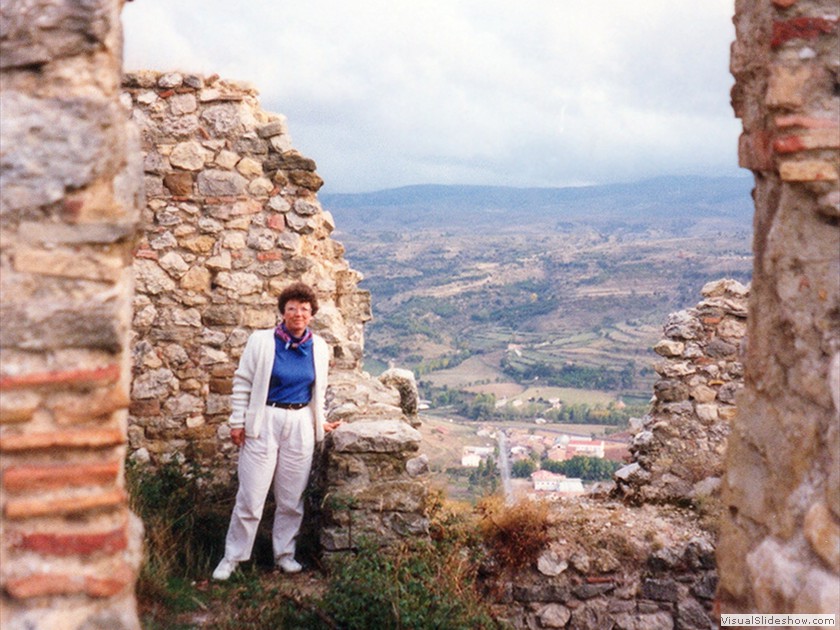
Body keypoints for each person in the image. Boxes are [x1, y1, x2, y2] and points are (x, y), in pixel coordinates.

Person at [212, 282, 341, 580]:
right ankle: (232, 558)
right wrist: (237, 422)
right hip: (264, 420)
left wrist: (317, 420)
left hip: (299, 425)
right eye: (292, 308)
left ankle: (285, 555)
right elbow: (243, 382)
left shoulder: (318, 347)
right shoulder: (261, 341)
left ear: (312, 315)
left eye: (304, 309)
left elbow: (316, 390)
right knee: (251, 495)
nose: (298, 314)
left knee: (291, 497)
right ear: (283, 311)